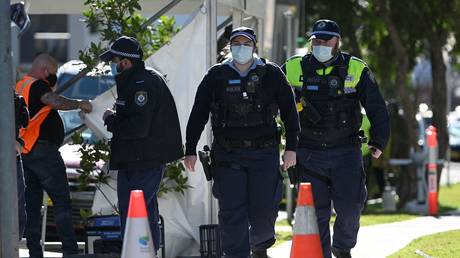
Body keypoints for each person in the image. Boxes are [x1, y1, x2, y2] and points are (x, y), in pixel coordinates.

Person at [184, 27, 300, 258]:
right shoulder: (215, 76)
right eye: (236, 43)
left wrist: (291, 149)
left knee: (264, 211)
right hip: (228, 154)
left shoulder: (272, 74)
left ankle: (259, 247)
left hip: (264, 153)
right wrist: (190, 149)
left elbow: (290, 113)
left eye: (246, 43)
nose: (241, 47)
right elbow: (198, 113)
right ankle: (236, 254)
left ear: (254, 46)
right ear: (230, 46)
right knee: (231, 212)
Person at [282, 19, 390, 258]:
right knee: (316, 212)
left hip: (346, 151)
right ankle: (321, 254)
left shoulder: (356, 68)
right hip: (309, 153)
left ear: (337, 42)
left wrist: (379, 141)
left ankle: (342, 248)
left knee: (351, 207)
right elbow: (272, 101)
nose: (320, 44)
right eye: (316, 40)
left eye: (325, 40)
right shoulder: (292, 67)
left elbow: (377, 108)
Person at [100, 36, 183, 251]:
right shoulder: (134, 81)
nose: (113, 66)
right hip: (134, 161)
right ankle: (147, 253)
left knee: (134, 215)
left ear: (126, 62)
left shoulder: (143, 84)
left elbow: (138, 128)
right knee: (143, 213)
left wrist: (111, 119)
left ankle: (139, 253)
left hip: (143, 162)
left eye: (115, 60)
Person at [16, 53, 92, 258]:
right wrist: (80, 104)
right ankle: (69, 251)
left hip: (26, 152)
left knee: (32, 205)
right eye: (52, 76)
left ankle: (34, 252)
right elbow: (54, 100)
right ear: (45, 71)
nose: (52, 82)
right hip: (43, 153)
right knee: (61, 201)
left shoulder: (21, 85)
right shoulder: (38, 85)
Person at [14, 92, 29, 239]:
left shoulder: (15, 100)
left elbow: (25, 122)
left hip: (12, 156)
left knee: (17, 207)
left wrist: (18, 142)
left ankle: (12, 243)